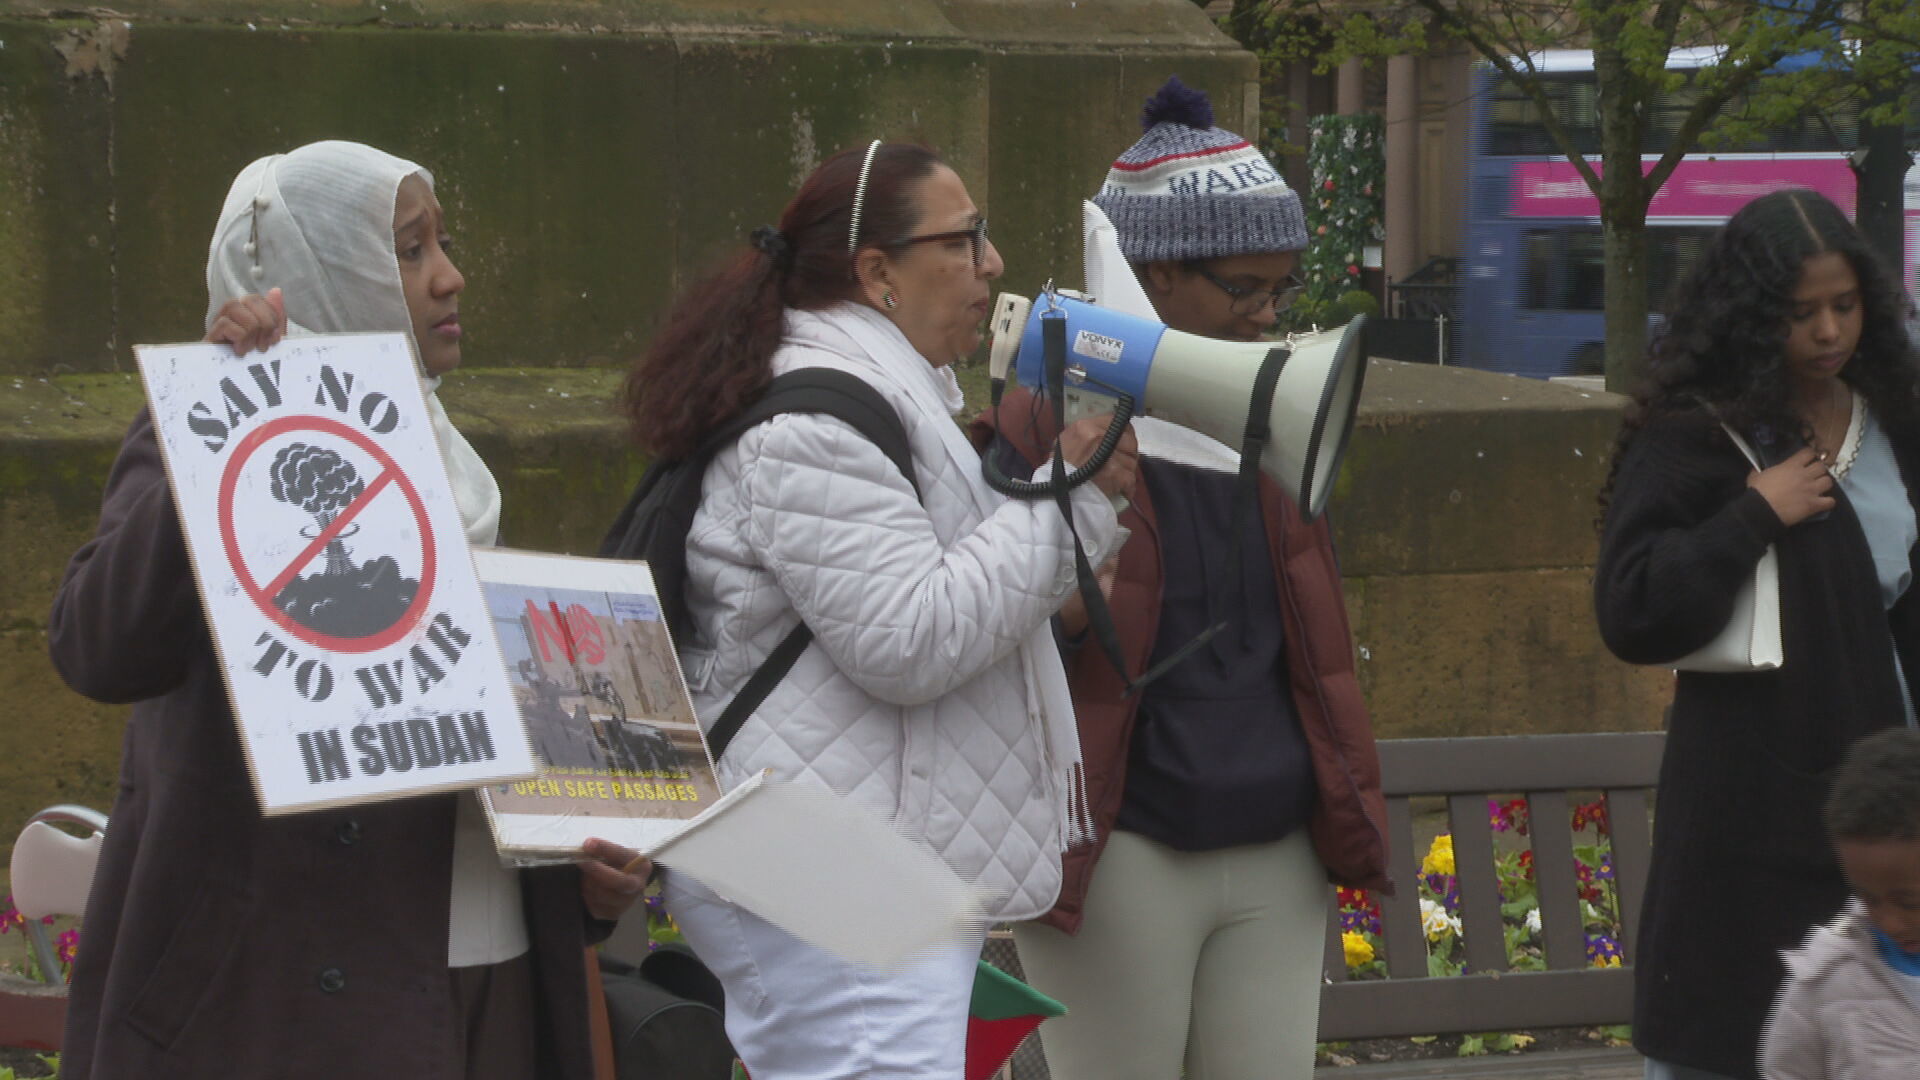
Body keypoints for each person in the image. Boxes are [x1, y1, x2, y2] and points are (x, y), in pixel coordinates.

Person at [48, 140, 648, 1080]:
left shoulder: (454, 467)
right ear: (314, 274)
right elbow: (100, 646)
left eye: (440, 245)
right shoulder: (212, 431)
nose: (450, 277)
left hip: (492, 976)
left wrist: (587, 875)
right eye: (409, 251)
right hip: (282, 1000)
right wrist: (227, 415)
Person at [619, 140, 1136, 1080]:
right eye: (965, 237)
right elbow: (907, 637)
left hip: (852, 851)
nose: (993, 263)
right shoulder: (815, 425)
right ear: (876, 272)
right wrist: (1073, 501)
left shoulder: (879, 397)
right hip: (826, 863)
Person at [968, 76, 1389, 1080]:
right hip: (1130, 845)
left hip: (1274, 839)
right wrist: (1069, 489)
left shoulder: (1273, 413)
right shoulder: (1038, 424)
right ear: (1154, 278)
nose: (1268, 316)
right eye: (1246, 290)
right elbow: (1004, 628)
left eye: (1282, 288)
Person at [1594, 188, 1920, 1080]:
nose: (1827, 332)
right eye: (1799, 312)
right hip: (1749, 813)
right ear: (1748, 314)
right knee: (1735, 1039)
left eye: (1845, 305)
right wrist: (1751, 516)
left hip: (1888, 797)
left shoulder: (1893, 415)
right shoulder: (1697, 433)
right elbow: (1631, 607)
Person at [1760, 728, 1920, 1077]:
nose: (1890, 923)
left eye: (1909, 903)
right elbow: (1786, 1071)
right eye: (1870, 899)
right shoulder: (1827, 979)